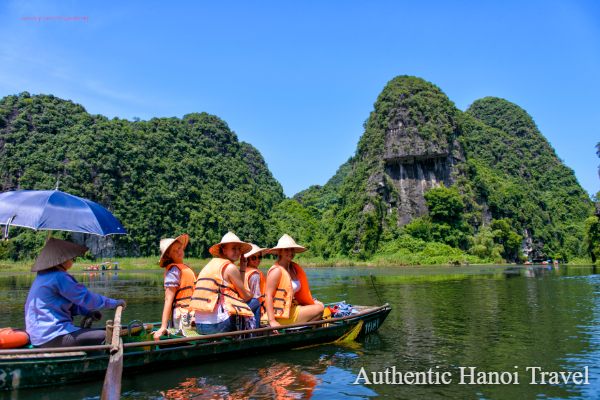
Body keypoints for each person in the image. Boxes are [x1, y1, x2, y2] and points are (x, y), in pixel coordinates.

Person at [24, 238, 126, 348]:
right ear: (62, 260)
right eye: (72, 259)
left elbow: (69, 305)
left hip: (38, 336)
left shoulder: (42, 277)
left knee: (100, 332)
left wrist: (87, 312)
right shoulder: (59, 277)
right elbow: (85, 298)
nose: (72, 261)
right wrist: (114, 303)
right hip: (52, 336)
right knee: (105, 335)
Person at [190, 232, 257, 334]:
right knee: (255, 302)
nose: (238, 252)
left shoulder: (210, 264)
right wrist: (251, 293)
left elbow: (237, 293)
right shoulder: (230, 268)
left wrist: (242, 268)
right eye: (233, 248)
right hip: (217, 326)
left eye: (239, 249)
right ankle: (255, 336)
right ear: (224, 250)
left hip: (200, 326)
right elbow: (245, 296)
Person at [263, 234, 324, 328]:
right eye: (287, 249)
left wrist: (312, 301)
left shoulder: (293, 268)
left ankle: (303, 331)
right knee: (319, 309)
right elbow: (268, 296)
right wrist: (272, 321)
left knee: (319, 305)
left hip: (292, 308)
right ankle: (300, 332)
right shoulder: (276, 271)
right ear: (280, 252)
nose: (290, 252)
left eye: (292, 250)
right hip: (281, 315)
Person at [153, 234, 196, 340]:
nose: (179, 251)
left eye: (180, 248)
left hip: (191, 313)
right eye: (174, 250)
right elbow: (168, 299)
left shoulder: (184, 268)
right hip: (182, 316)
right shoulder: (173, 271)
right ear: (168, 256)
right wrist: (163, 326)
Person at [240, 243, 267, 328]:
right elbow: (256, 299)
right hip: (253, 309)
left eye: (259, 257)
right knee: (256, 302)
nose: (257, 260)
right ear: (247, 259)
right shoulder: (255, 275)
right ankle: (256, 328)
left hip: (243, 305)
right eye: (254, 258)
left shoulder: (242, 271)